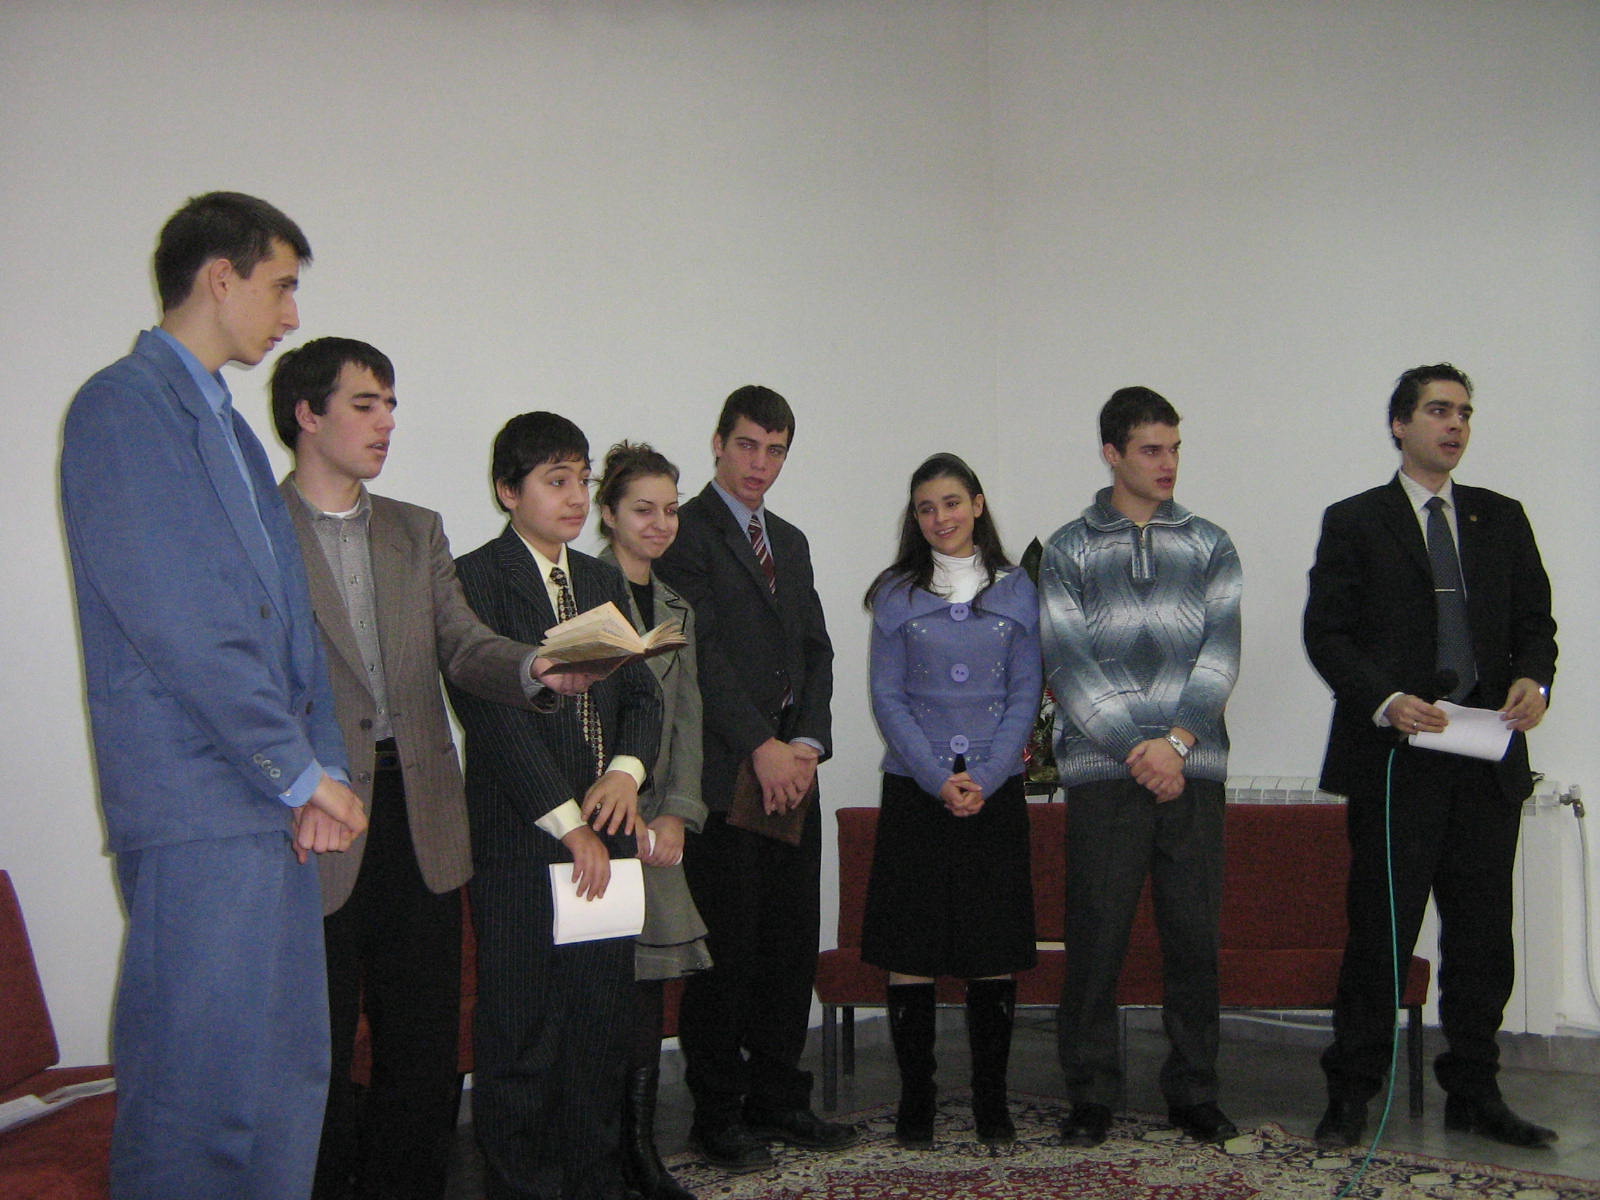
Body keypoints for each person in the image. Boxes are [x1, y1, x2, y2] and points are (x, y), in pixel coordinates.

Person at [59, 191, 368, 1199]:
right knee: (197, 1096)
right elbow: (184, 626)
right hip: (196, 806)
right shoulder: (120, 409)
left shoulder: (232, 432)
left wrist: (318, 766)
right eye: (280, 287)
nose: (291, 316)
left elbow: (292, 621)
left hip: (268, 805)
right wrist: (297, 773)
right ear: (219, 277)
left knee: (282, 1081)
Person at [270, 338, 593, 1199]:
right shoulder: (258, 528)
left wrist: (535, 667)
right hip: (313, 816)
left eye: (391, 404)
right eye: (365, 404)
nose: (387, 422)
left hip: (422, 815)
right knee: (316, 1051)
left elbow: (463, 644)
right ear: (308, 414)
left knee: (422, 1050)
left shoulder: (416, 530)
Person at [1304, 364, 1558, 1150]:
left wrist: (1534, 680)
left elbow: (1537, 623)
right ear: (1400, 423)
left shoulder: (1501, 518)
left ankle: (1474, 1090)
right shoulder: (1356, 520)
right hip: (1396, 758)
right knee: (1381, 935)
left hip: (1485, 756)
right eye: (1439, 410)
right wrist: (1385, 700)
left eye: (1465, 413)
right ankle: (1353, 1091)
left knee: (1482, 939)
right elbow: (1327, 634)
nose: (1455, 425)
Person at [446, 411, 662, 1200]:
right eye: (556, 481)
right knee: (522, 1035)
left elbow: (643, 697)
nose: (575, 498)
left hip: (609, 834)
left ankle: (595, 1182)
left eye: (582, 481)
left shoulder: (600, 580)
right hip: (523, 844)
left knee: (599, 1028)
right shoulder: (474, 577)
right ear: (509, 491)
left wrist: (627, 774)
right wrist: (570, 825)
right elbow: (493, 720)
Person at [655, 385, 857, 1173]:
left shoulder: (792, 542)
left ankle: (779, 1097)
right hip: (723, 774)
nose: (759, 464)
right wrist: (759, 746)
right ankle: (718, 1113)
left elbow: (816, 651)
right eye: (746, 445)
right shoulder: (685, 531)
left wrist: (803, 744)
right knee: (727, 953)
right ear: (718, 443)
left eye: (775, 451)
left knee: (789, 947)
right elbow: (698, 653)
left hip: (792, 774)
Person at [1039, 386, 1243, 1149]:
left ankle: (1194, 1092)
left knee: (1193, 939)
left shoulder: (1212, 544)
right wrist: (1139, 748)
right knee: (1096, 940)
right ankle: (1091, 1094)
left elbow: (1221, 653)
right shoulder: (1069, 549)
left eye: (1174, 448)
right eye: (1151, 450)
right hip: (1104, 773)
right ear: (1112, 454)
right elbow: (1067, 662)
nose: (1168, 463)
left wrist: (1177, 744)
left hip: (1194, 770)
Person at [860, 453, 1042, 1149]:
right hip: (916, 791)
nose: (940, 518)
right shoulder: (895, 594)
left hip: (995, 792)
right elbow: (888, 697)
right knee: (911, 946)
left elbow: (1025, 692)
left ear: (978, 504)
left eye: (952, 502)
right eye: (926, 507)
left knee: (991, 944)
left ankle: (992, 1102)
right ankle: (918, 1102)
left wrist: (986, 777)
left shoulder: (1018, 590)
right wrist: (937, 777)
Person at [595, 441, 713, 1200]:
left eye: (670, 509)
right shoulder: (578, 595)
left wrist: (676, 815)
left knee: (647, 988)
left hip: (656, 823)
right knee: (594, 988)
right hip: (594, 819)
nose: (660, 523)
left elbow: (689, 721)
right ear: (608, 513)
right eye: (643, 509)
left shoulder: (676, 608)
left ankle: (639, 1149)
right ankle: (594, 1146)